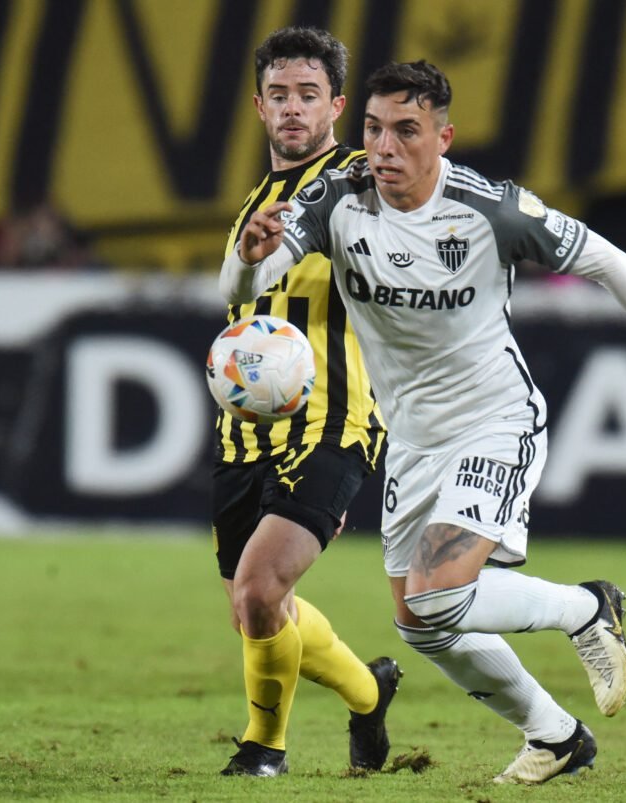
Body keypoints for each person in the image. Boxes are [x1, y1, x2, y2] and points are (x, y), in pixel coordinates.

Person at [221, 60, 626, 784]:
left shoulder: (490, 210)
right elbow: (244, 284)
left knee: (436, 592)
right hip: (412, 439)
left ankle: (586, 606)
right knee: (421, 625)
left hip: (495, 421)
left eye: (406, 131)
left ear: (443, 138)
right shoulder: (336, 200)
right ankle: (555, 734)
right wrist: (248, 259)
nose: (383, 147)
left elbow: (610, 262)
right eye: (374, 129)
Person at [212, 27, 400, 778]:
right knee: (257, 609)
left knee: (261, 589)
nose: (293, 108)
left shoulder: (360, 182)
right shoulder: (255, 203)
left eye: (309, 95)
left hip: (332, 421)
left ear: (337, 106)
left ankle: (265, 748)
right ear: (259, 106)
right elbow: (236, 297)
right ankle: (369, 693)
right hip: (246, 433)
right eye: (280, 95)